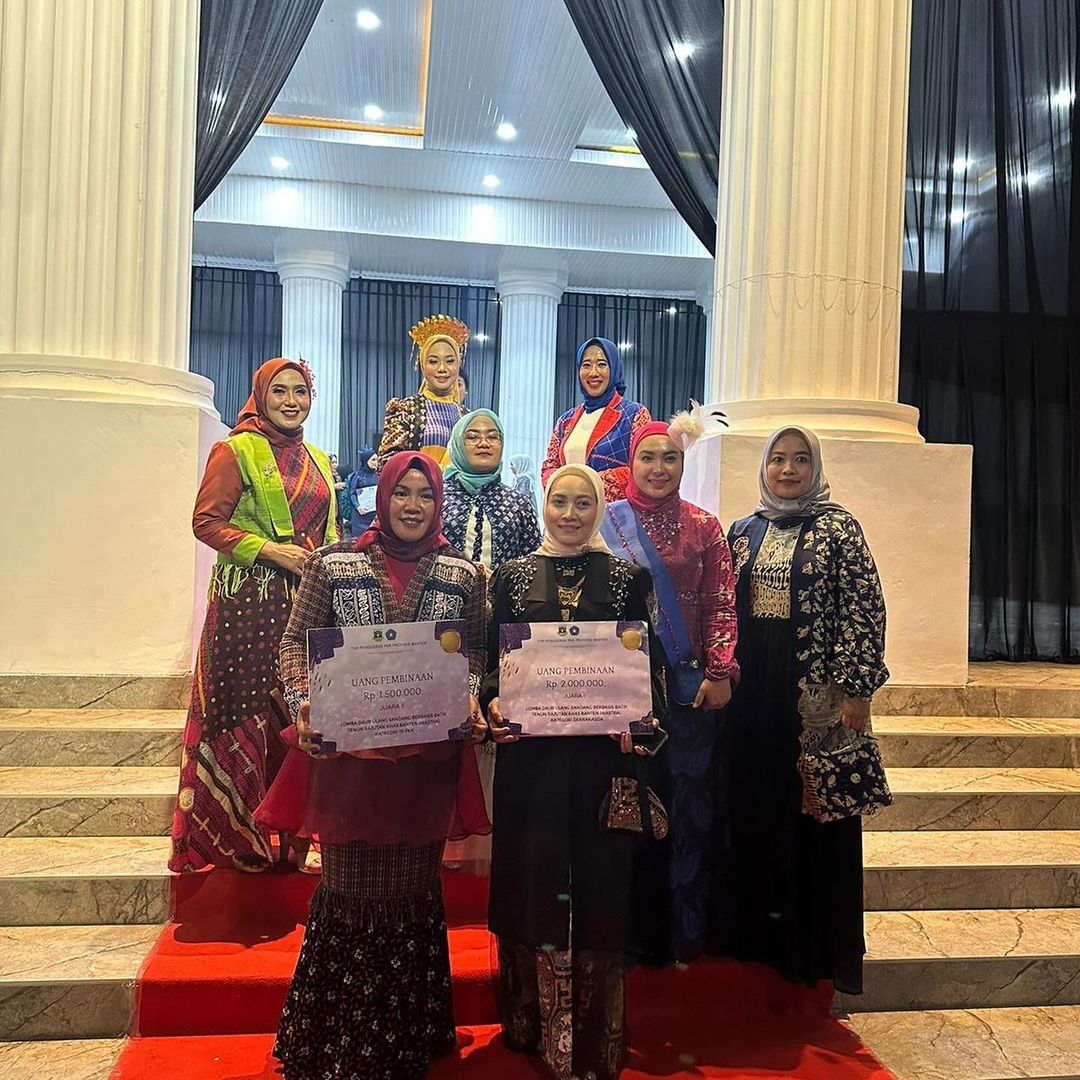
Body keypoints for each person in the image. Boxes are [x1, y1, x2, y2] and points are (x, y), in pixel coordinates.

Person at [258, 451, 490, 1080]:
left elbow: (474, 654)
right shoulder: (333, 565)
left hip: (423, 766)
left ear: (438, 503)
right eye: (402, 493)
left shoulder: (464, 574)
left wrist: (469, 694)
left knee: (413, 887)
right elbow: (294, 643)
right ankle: (340, 1040)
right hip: (350, 765)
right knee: (351, 888)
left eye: (425, 494)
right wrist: (304, 702)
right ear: (382, 497)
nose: (413, 505)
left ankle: (407, 1036)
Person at [483, 464, 666, 1080]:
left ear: (598, 509)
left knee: (600, 885)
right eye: (559, 501)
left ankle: (593, 1037)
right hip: (531, 765)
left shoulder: (627, 579)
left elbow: (650, 666)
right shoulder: (511, 578)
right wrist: (492, 703)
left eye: (582, 503)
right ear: (544, 504)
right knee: (531, 879)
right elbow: (492, 664)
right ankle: (530, 1025)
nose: (569, 514)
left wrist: (641, 717)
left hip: (599, 764)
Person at [712, 426, 888, 996]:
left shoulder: (839, 529)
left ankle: (809, 948)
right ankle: (754, 935)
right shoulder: (743, 530)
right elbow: (723, 607)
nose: (787, 470)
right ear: (764, 467)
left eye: (800, 460)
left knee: (813, 808)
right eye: (778, 459)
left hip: (814, 692)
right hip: (752, 693)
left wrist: (857, 689)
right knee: (755, 800)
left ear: (816, 468)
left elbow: (864, 608)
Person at [169, 358, 337, 874]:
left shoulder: (318, 459)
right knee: (244, 714)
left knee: (302, 713)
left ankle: (299, 838)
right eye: (280, 391)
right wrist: (271, 550)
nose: (291, 401)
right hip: (246, 609)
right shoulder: (235, 450)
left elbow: (328, 533)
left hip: (306, 607)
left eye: (300, 392)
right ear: (260, 396)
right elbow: (205, 522)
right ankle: (239, 836)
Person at [601, 418, 739, 965]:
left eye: (670, 459)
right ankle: (629, 933)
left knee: (687, 809)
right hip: (621, 690)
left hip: (687, 690)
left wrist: (720, 671)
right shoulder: (607, 521)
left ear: (683, 465)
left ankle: (683, 933)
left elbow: (721, 599)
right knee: (629, 806)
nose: (658, 469)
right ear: (630, 463)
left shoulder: (704, 526)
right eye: (648, 458)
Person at [541, 337, 652, 502]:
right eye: (586, 365)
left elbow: (643, 468)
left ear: (614, 369)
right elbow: (549, 466)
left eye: (601, 364)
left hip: (616, 514)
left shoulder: (634, 414)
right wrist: (563, 491)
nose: (593, 372)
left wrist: (586, 486)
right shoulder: (566, 420)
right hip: (570, 512)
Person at [443, 410, 542, 573]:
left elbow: (534, 565)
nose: (484, 443)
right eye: (473, 437)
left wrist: (500, 580)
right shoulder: (436, 498)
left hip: (503, 590)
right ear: (458, 444)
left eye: (493, 437)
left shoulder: (518, 504)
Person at [375, 314, 469, 470]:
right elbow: (387, 464)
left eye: (450, 361)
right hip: (419, 485)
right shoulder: (405, 409)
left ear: (458, 364)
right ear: (423, 365)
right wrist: (433, 471)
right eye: (433, 361)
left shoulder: (467, 417)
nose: (442, 368)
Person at [344, 444, 379, 536]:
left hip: (374, 514)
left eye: (377, 460)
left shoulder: (378, 476)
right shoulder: (357, 476)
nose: (376, 462)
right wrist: (358, 507)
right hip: (360, 515)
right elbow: (352, 493)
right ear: (365, 460)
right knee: (360, 539)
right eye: (373, 460)